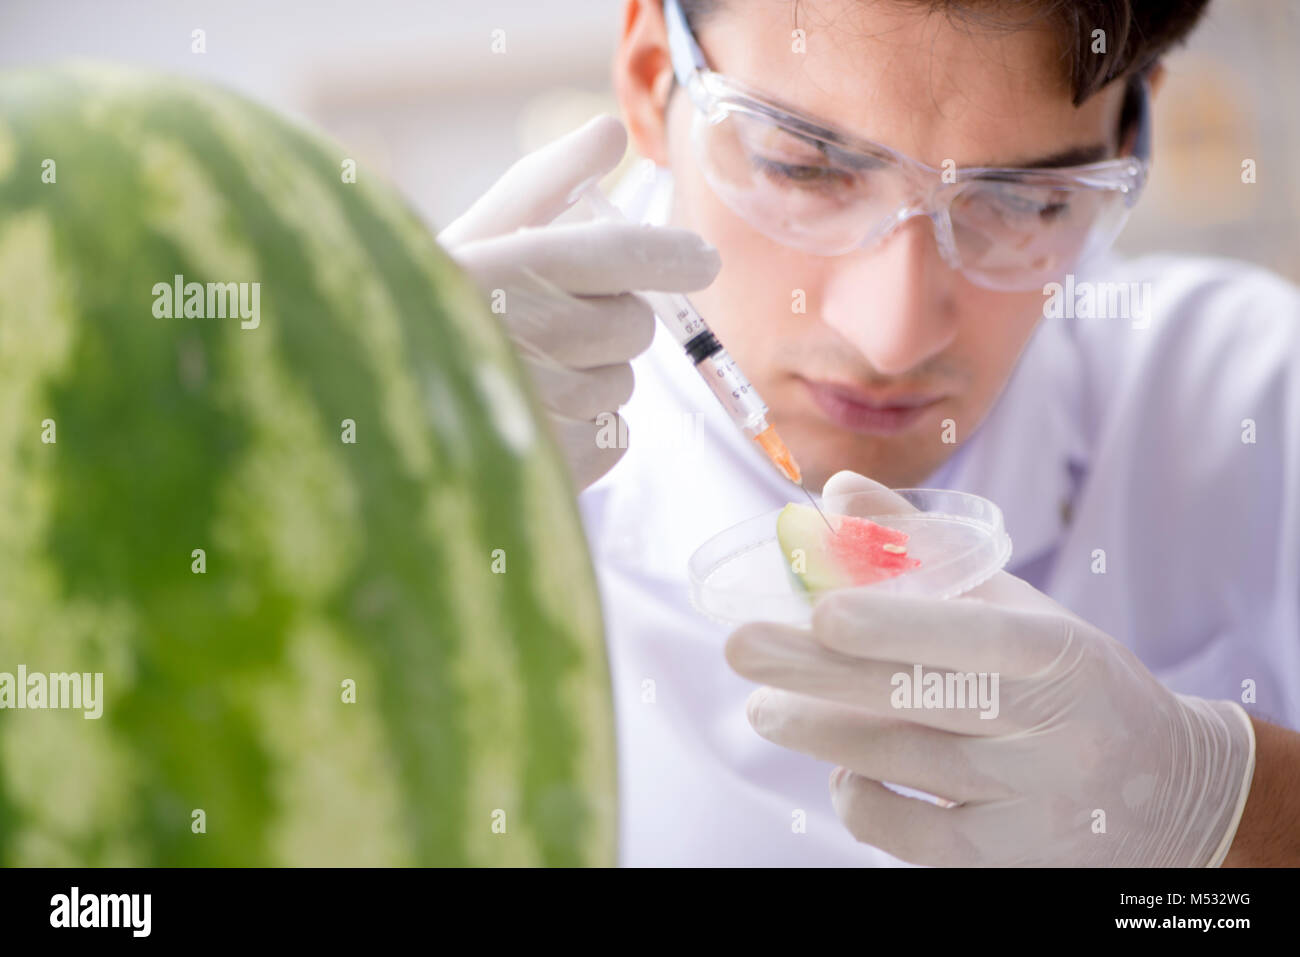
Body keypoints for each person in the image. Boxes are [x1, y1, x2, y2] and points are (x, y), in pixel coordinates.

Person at [439, 0, 1300, 866]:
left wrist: (1224, 804)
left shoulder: (1256, 394)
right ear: (651, 74)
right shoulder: (450, 431)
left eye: (1026, 201)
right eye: (804, 167)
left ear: (1130, 134)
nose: (892, 336)